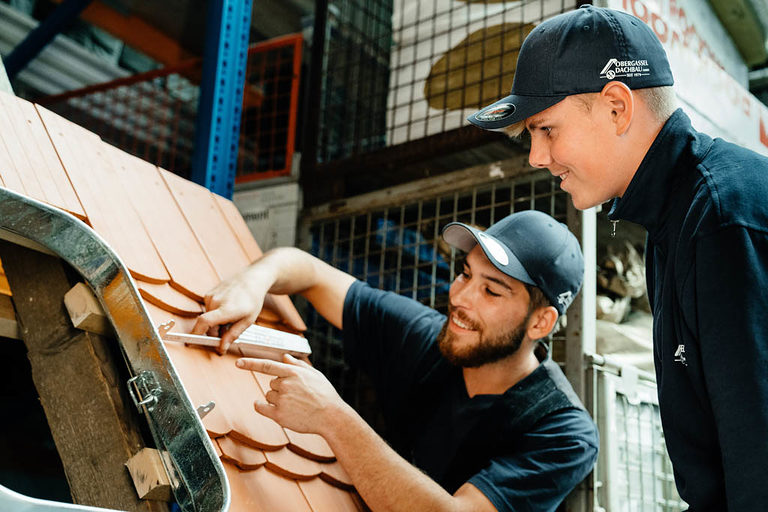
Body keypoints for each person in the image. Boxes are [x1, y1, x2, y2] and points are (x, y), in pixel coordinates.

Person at [467, 5, 768, 511]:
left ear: (616, 107)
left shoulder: (720, 218)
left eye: (546, 129)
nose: (536, 157)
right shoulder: (676, 220)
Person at [193, 210, 598, 512]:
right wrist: (251, 283)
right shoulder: (429, 336)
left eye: (492, 291)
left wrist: (332, 417)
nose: (460, 298)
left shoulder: (562, 432)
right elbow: (307, 270)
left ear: (541, 322)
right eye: (465, 274)